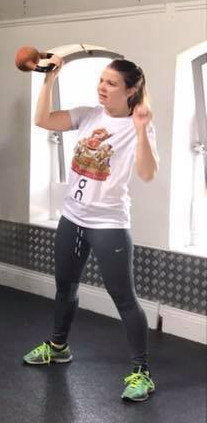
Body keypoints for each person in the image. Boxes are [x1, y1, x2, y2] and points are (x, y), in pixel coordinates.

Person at [22, 56, 159, 402]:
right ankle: (58, 347)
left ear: (131, 91)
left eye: (111, 83)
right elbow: (42, 120)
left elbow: (147, 173)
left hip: (108, 223)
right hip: (72, 216)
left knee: (123, 298)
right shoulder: (88, 115)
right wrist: (49, 79)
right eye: (101, 80)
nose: (102, 87)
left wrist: (141, 129)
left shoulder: (138, 126)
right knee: (65, 287)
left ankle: (141, 372)